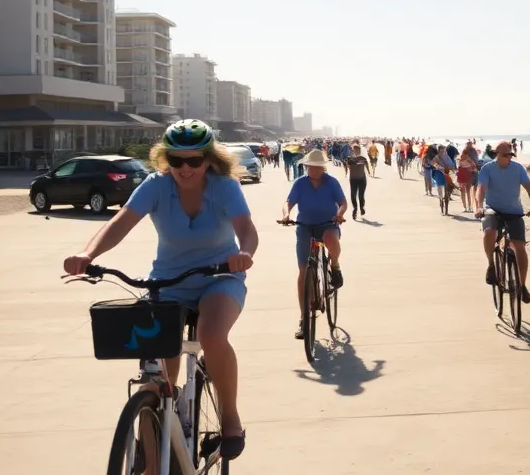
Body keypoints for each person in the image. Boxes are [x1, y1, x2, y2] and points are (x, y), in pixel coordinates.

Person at [63, 119, 257, 458]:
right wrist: (88, 253)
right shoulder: (155, 186)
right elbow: (120, 222)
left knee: (211, 336)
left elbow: (246, 229)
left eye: (194, 160)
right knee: (155, 375)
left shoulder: (225, 187)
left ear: (208, 159)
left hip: (221, 277)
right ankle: (153, 459)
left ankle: (230, 416)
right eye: (176, 159)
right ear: (165, 158)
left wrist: (244, 254)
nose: (185, 168)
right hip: (169, 282)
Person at [283, 150, 347, 339]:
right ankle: (304, 318)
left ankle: (334, 267)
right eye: (311, 167)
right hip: (305, 226)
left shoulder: (331, 182)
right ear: (307, 166)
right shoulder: (300, 183)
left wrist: (340, 214)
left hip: (328, 223)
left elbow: (343, 202)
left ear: (322, 167)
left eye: (318, 167)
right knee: (303, 271)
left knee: (330, 239)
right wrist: (286, 214)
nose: (314, 170)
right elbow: (289, 202)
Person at [476, 141, 530, 301]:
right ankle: (491, 265)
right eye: (505, 155)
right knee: (489, 231)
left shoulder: (518, 168)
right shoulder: (487, 168)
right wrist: (478, 206)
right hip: (493, 209)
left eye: (510, 155)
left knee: (520, 247)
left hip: (514, 212)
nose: (508, 158)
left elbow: (529, 188)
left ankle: (522, 286)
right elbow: (481, 189)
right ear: (497, 154)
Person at [344, 144, 369, 220]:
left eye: (357, 149)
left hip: (362, 179)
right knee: (353, 195)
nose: (356, 151)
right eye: (354, 149)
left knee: (361, 195)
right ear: (352, 151)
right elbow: (347, 167)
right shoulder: (350, 159)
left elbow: (367, 165)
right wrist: (347, 166)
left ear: (359, 150)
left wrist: (369, 171)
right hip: (353, 179)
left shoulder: (363, 158)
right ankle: (355, 209)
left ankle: (361, 207)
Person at [457, 148, 477, 212]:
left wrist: (470, 169)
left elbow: (474, 168)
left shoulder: (461, 160)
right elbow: (474, 168)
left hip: (464, 176)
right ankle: (468, 207)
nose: (465, 156)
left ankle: (467, 207)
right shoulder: (467, 160)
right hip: (465, 176)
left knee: (465, 192)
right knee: (466, 192)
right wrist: (470, 169)